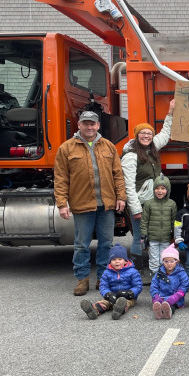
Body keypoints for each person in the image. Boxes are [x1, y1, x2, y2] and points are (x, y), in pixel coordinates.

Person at [54, 110, 127, 296]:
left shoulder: (109, 146)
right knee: (81, 245)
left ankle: (103, 278)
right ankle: (82, 279)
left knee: (106, 243)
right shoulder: (66, 148)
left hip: (106, 205)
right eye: (85, 123)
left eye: (92, 124)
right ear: (79, 125)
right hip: (82, 205)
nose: (89, 127)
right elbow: (61, 178)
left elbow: (118, 175)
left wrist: (121, 197)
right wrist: (62, 203)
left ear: (98, 126)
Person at [121, 99, 175, 277]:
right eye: (142, 133)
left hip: (153, 201)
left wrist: (170, 113)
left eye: (149, 133)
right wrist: (136, 209)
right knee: (139, 237)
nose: (146, 136)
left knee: (155, 237)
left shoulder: (152, 149)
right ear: (137, 136)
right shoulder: (131, 156)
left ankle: (158, 269)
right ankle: (136, 271)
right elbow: (128, 184)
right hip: (141, 204)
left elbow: (165, 134)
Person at [80, 243, 141, 320]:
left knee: (125, 302)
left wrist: (130, 293)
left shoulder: (133, 272)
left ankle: (118, 310)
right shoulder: (107, 272)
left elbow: (138, 286)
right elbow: (103, 286)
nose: (117, 261)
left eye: (120, 259)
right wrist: (108, 294)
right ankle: (94, 310)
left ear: (125, 261)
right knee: (104, 302)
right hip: (112, 295)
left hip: (128, 297)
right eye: (114, 259)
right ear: (110, 261)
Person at [140, 174, 178, 278]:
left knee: (164, 259)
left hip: (166, 238)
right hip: (153, 239)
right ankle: (154, 278)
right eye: (157, 188)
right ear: (153, 189)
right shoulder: (149, 204)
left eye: (163, 188)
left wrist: (175, 236)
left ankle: (164, 278)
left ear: (168, 190)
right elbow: (144, 221)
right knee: (153, 260)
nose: (159, 191)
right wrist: (144, 235)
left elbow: (174, 222)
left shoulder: (172, 204)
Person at [150, 244, 189, 320]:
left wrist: (176, 296)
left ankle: (168, 311)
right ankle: (158, 310)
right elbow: (154, 284)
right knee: (158, 302)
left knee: (172, 305)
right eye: (166, 261)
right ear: (163, 262)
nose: (169, 264)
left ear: (177, 261)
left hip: (175, 298)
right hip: (161, 296)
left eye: (172, 261)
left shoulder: (181, 273)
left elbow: (184, 286)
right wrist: (155, 295)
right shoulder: (159, 273)